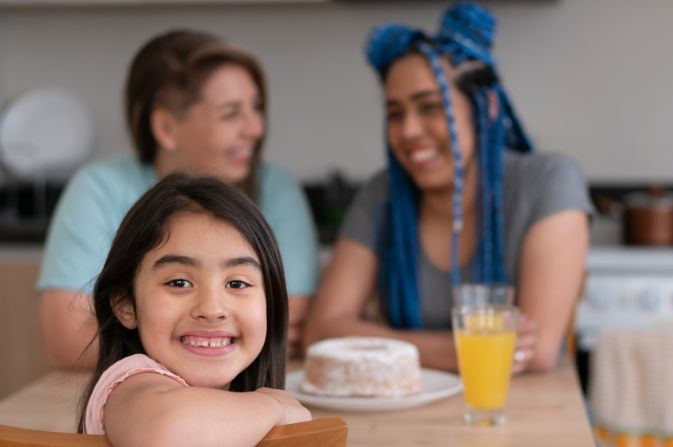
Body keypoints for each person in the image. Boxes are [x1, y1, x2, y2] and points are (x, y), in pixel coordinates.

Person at [304, 2, 592, 373]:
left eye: (430, 107)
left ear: (486, 105)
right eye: (395, 114)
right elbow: (321, 332)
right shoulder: (381, 195)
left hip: (523, 412)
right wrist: (461, 349)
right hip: (409, 410)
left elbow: (533, 354)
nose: (408, 130)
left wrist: (377, 341)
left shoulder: (549, 181)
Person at [37, 29, 319, 367]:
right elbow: (69, 339)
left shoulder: (278, 190)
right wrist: (199, 353)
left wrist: (169, 335)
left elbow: (284, 323)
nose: (255, 128)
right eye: (231, 113)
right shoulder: (99, 188)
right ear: (166, 128)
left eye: (256, 108)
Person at [77, 173, 311, 445]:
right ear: (126, 304)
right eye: (179, 282)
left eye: (237, 283)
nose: (211, 309)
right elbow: (165, 432)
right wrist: (274, 407)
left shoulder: (243, 411)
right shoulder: (130, 384)